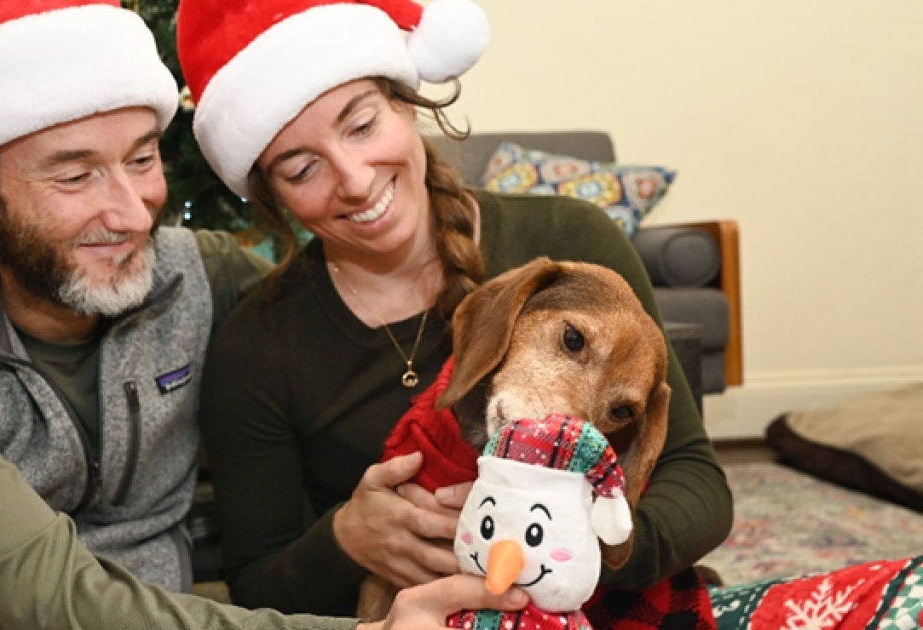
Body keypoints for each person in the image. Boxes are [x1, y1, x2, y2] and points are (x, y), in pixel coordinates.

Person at [0, 0, 533, 628]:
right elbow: (46, 592)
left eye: (142, 159)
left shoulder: (200, 277)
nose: (134, 211)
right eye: (74, 176)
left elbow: (345, 343)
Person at [178, 0, 735, 618]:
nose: (356, 180)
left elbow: (697, 481)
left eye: (361, 125)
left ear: (406, 103)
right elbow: (256, 584)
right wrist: (345, 540)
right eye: (302, 168)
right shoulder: (255, 348)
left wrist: (569, 551)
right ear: (271, 196)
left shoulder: (571, 245)